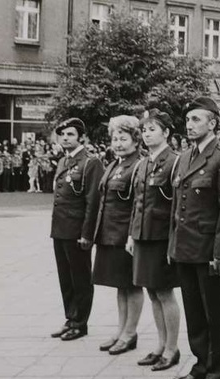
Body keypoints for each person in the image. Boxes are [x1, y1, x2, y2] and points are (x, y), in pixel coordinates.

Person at [169, 97, 220, 379]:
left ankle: (217, 372)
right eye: (188, 120)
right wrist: (173, 245)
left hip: (210, 248)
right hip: (186, 247)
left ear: (213, 123)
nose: (190, 125)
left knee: (216, 312)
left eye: (196, 120)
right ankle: (201, 363)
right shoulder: (185, 156)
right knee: (194, 311)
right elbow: (178, 205)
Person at [127, 109, 181, 371]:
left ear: (167, 133)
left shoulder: (175, 163)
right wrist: (131, 235)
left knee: (164, 292)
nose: (147, 134)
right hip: (143, 235)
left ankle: (172, 348)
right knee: (151, 292)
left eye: (153, 129)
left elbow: (177, 208)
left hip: (162, 237)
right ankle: (160, 345)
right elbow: (136, 203)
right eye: (144, 130)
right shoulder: (143, 163)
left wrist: (174, 241)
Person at [92, 115, 145, 356]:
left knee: (131, 285)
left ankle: (130, 333)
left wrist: (132, 235)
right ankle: (121, 329)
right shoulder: (115, 164)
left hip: (126, 234)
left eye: (123, 138)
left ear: (136, 140)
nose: (118, 143)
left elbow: (139, 204)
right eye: (114, 138)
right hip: (109, 233)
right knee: (119, 285)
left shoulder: (138, 165)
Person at [49, 118, 105, 341]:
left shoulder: (91, 163)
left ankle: (80, 322)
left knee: (80, 277)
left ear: (81, 137)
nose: (65, 138)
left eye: (70, 134)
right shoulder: (63, 161)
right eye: (62, 134)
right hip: (60, 228)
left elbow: (93, 201)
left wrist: (87, 234)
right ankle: (70, 318)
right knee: (66, 277)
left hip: (77, 230)